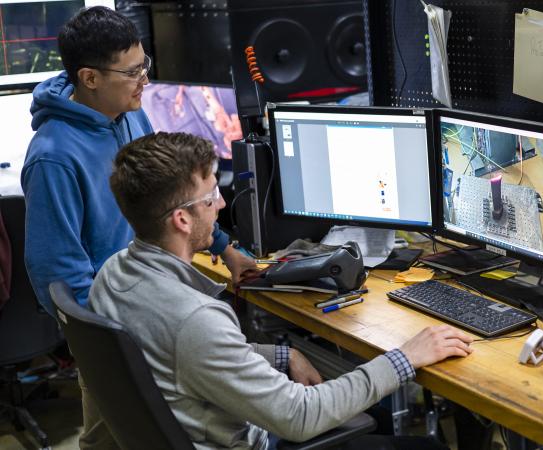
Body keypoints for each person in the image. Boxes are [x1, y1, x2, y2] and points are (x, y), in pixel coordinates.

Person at [91, 131, 474, 449]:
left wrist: (280, 354)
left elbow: (179, 354)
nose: (222, 203)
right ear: (182, 220)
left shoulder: (113, 276)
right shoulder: (194, 318)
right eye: (211, 197)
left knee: (371, 413)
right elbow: (300, 417)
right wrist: (406, 356)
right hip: (252, 439)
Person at [21, 7, 255, 449]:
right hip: (115, 335)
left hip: (153, 306)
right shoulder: (54, 157)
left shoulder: (130, 115)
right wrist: (117, 342)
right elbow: (56, 274)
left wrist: (224, 248)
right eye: (133, 73)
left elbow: (171, 193)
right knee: (113, 435)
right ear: (89, 78)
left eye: (144, 66)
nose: (145, 81)